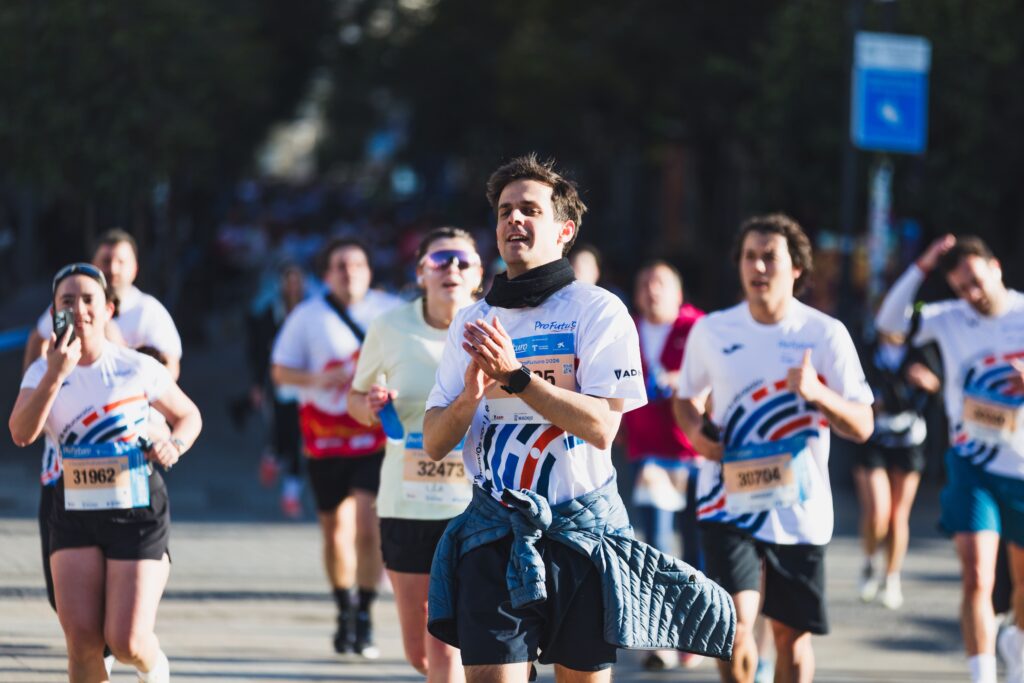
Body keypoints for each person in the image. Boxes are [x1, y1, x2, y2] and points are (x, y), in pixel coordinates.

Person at [423, 154, 735, 683]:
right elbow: (434, 442)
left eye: (529, 210)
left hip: (580, 533)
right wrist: (469, 398)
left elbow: (602, 427)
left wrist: (517, 376)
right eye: (504, 211)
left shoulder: (598, 311)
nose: (513, 221)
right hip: (494, 531)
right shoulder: (472, 322)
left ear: (564, 230)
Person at [674, 213, 874, 683]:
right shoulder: (713, 331)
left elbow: (863, 425)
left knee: (790, 637)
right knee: (734, 625)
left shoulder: (825, 334)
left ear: (796, 269)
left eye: (770, 258)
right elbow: (685, 399)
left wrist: (818, 393)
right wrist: (698, 437)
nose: (758, 268)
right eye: (749, 257)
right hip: (727, 499)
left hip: (799, 506)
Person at [8, 263, 202, 683]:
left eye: (88, 299)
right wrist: (56, 375)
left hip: (136, 510)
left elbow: (189, 415)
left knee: (127, 639)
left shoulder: (136, 367)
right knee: (82, 641)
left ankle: (155, 666)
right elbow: (22, 434)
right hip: (72, 508)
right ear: (55, 311)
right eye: (67, 301)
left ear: (108, 309)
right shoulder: (42, 372)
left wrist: (175, 445)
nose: (79, 309)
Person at [876, 235, 1024, 683]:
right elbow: (889, 324)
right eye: (961, 288)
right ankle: (982, 676)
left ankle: (1013, 641)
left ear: (995, 267)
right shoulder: (948, 318)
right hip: (971, 462)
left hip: (1021, 465)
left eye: (976, 282)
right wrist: (921, 266)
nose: (971, 295)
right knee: (977, 576)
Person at [348, 227, 483, 682]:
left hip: (478, 505)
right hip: (407, 504)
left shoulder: (495, 327)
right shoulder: (389, 326)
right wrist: (370, 408)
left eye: (463, 262)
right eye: (441, 259)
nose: (452, 269)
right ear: (421, 272)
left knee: (453, 652)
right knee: (421, 653)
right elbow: (355, 396)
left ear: (479, 275)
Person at [271, 238, 400, 658]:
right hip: (325, 437)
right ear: (326, 274)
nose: (350, 272)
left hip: (373, 433)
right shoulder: (308, 316)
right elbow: (279, 371)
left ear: (370, 271)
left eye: (358, 264)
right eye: (341, 266)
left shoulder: (389, 309)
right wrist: (315, 381)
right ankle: (343, 607)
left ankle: (364, 612)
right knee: (335, 532)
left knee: (368, 526)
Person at [620, 259, 705, 671]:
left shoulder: (698, 328)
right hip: (650, 455)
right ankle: (659, 636)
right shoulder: (626, 329)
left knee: (694, 548)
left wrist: (683, 380)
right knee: (654, 546)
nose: (652, 291)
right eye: (645, 283)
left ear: (678, 292)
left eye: (660, 284)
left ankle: (693, 632)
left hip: (696, 453)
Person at [853, 328, 939, 610]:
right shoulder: (865, 348)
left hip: (909, 438)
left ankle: (892, 577)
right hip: (873, 437)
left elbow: (943, 385)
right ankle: (869, 562)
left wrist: (929, 382)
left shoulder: (922, 348)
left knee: (897, 515)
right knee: (878, 512)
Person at [23, 229, 182, 380]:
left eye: (121, 262)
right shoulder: (69, 305)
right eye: (106, 261)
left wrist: (121, 352)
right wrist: (35, 386)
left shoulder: (149, 310)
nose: (113, 269)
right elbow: (38, 339)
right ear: (93, 264)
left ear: (109, 311)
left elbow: (170, 367)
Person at [247, 263, 307, 518]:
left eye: (297, 281)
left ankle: (291, 494)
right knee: (281, 431)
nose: (293, 287)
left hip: (307, 384)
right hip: (279, 383)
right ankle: (272, 455)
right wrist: (258, 384)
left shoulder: (311, 312)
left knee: (297, 438)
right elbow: (259, 352)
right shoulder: (270, 312)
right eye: (288, 281)